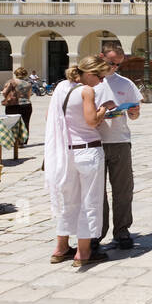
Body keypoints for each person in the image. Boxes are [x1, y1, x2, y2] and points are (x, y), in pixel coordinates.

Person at [44, 56, 114, 267]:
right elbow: (92, 121)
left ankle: (60, 248)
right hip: (88, 151)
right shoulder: (86, 91)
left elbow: (50, 117)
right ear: (90, 74)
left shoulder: (62, 89)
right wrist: (105, 108)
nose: (101, 81)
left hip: (67, 153)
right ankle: (83, 252)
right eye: (100, 76)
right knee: (89, 201)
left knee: (69, 201)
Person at [94, 42, 142, 251]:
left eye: (118, 65)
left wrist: (133, 113)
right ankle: (96, 233)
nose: (114, 68)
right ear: (100, 57)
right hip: (94, 141)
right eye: (111, 63)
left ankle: (122, 230)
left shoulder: (125, 83)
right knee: (96, 192)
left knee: (123, 189)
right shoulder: (90, 83)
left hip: (120, 140)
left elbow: (136, 112)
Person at [2, 66, 34, 139]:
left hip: (13, 105)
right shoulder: (28, 84)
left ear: (16, 74)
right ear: (25, 74)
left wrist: (8, 97)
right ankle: (23, 141)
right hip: (26, 105)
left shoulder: (11, 82)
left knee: (12, 123)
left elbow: (4, 92)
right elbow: (29, 96)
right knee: (25, 123)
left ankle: (14, 141)